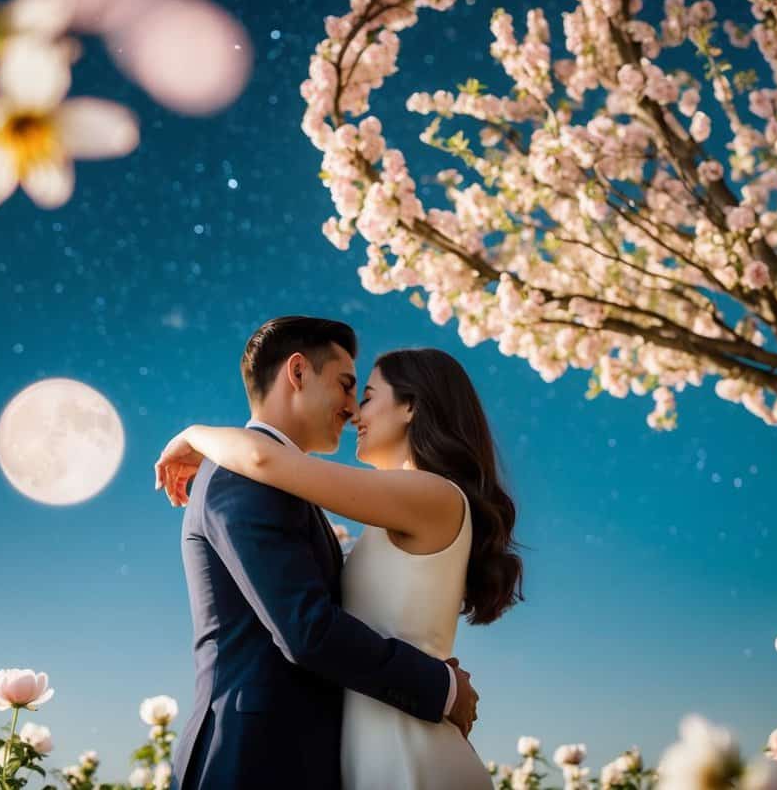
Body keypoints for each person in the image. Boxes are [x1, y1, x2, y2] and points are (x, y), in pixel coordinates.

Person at [156, 318, 523, 789]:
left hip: (396, 748)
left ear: (410, 406)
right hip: (263, 754)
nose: (353, 410)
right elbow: (310, 628)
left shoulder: (427, 494)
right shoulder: (245, 476)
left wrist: (194, 433)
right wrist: (441, 686)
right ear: (298, 373)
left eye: (366, 394)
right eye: (350, 387)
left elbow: (266, 460)